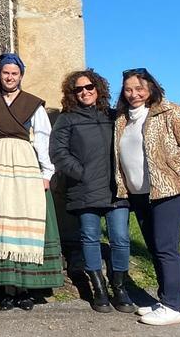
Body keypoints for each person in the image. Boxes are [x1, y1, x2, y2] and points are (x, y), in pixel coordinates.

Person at [0, 54, 64, 311]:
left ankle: (25, 289)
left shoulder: (33, 105)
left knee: (22, 223)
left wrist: (46, 173)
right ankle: (5, 290)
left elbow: (43, 140)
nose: (9, 77)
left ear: (21, 75)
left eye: (14, 73)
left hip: (23, 165)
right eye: (5, 73)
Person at [114, 68, 180, 326]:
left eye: (139, 88)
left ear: (151, 88)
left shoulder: (169, 112)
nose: (134, 94)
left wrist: (175, 166)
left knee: (166, 247)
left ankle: (173, 307)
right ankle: (164, 299)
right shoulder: (122, 119)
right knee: (155, 248)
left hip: (170, 190)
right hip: (140, 193)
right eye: (128, 89)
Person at [49, 69, 133, 314]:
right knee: (90, 238)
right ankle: (99, 289)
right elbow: (58, 152)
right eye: (79, 89)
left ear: (98, 89)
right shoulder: (67, 119)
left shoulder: (113, 116)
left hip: (116, 188)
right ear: (72, 93)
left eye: (89, 88)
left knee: (120, 239)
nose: (84, 92)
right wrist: (81, 172)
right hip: (85, 189)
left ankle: (120, 287)